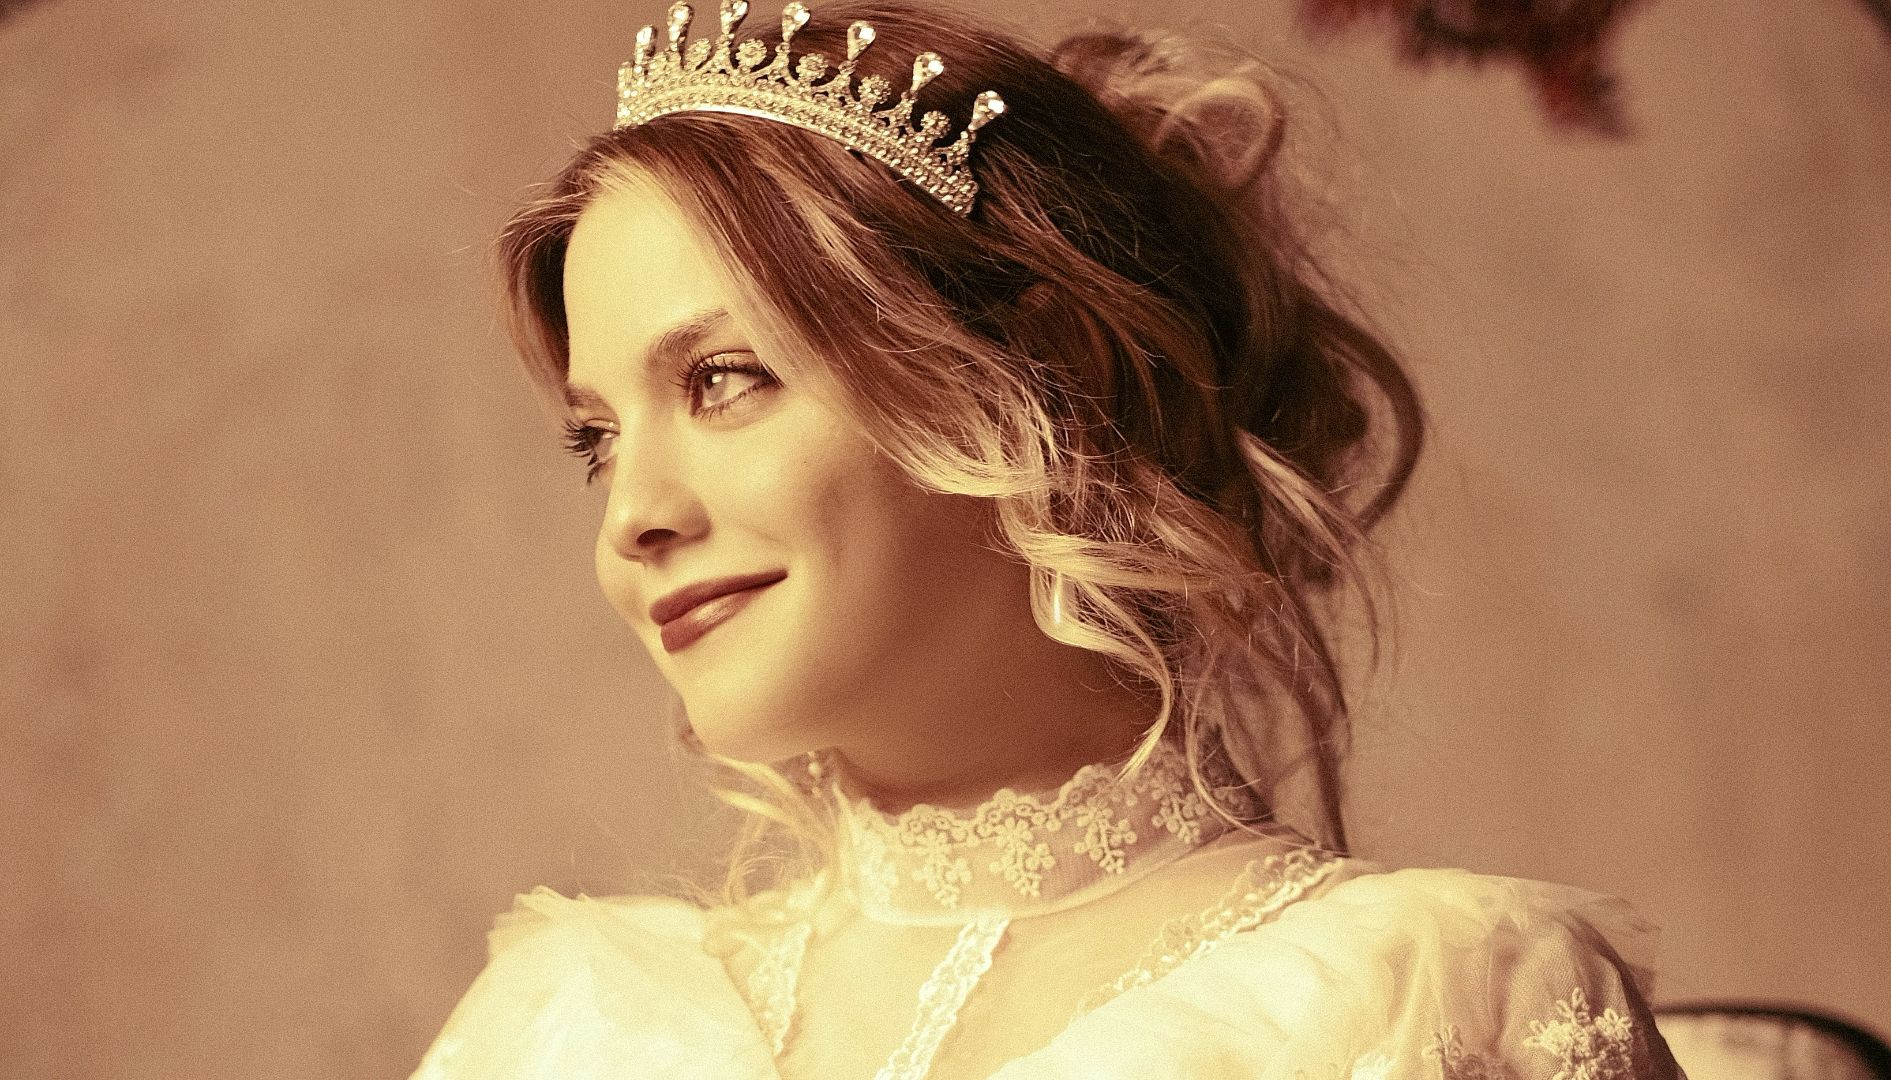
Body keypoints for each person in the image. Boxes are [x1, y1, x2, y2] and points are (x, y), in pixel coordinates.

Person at [411, 1, 1688, 1077]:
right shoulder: (564, 1029)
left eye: (726, 380)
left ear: (1038, 372)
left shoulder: (1445, 1006)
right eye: (598, 440)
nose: (636, 516)